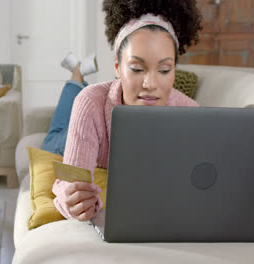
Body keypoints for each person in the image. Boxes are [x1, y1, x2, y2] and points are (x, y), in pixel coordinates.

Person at [46, 0, 203, 222]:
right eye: (137, 69)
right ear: (118, 68)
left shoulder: (191, 112)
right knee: (55, 133)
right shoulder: (90, 102)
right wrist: (72, 201)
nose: (150, 84)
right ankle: (77, 74)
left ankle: (77, 74)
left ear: (175, 71)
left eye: (164, 70)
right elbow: (67, 183)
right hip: (73, 140)